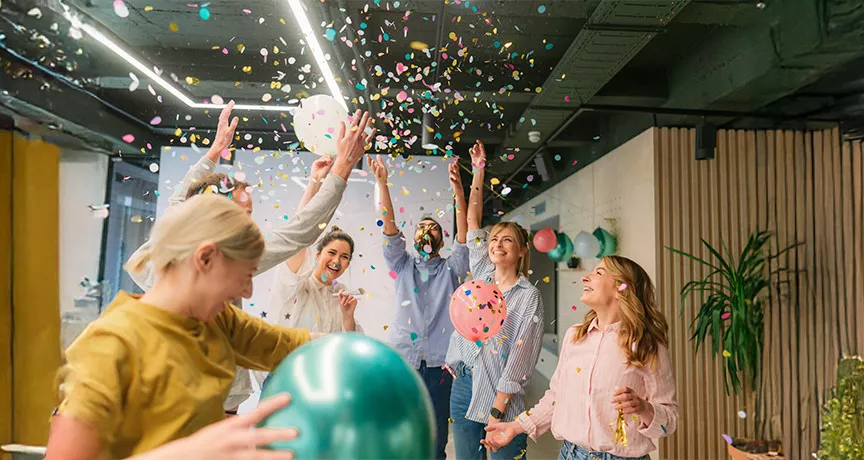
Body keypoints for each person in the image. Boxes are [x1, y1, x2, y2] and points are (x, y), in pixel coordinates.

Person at [127, 101, 375, 413]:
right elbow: (301, 231)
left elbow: (270, 341)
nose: (246, 289)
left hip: (217, 412)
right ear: (210, 222)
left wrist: (214, 152)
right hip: (199, 414)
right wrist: (342, 168)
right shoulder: (225, 257)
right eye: (242, 216)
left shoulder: (180, 252)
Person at [46, 195, 324, 460]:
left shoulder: (219, 320)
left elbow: (289, 345)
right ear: (205, 258)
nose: (248, 292)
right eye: (247, 275)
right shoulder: (110, 345)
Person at [482, 256, 678, 460]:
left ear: (621, 288)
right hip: (570, 455)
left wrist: (644, 408)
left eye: (598, 273)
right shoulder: (575, 337)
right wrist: (515, 427)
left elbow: (670, 420)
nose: (585, 277)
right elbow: (556, 398)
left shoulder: (649, 346)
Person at [444, 140, 544, 460]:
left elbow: (520, 359)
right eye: (495, 239)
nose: (498, 244)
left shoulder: (528, 296)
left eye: (508, 240)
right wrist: (477, 171)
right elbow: (473, 222)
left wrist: (498, 412)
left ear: (522, 250)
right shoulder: (483, 276)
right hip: (463, 387)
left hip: (502, 399)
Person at [366, 153, 470, 459]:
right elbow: (389, 227)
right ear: (413, 238)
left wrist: (459, 194)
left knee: (436, 434)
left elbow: (463, 237)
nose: (427, 230)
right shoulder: (402, 263)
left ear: (440, 238)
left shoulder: (453, 267)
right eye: (422, 227)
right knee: (401, 428)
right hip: (404, 361)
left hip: (440, 364)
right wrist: (382, 183)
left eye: (434, 228)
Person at [266, 156, 363, 335]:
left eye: (344, 257)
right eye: (331, 252)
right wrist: (315, 181)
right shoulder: (296, 282)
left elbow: (350, 347)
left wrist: (348, 318)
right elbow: (299, 231)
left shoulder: (342, 295)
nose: (336, 261)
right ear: (317, 254)